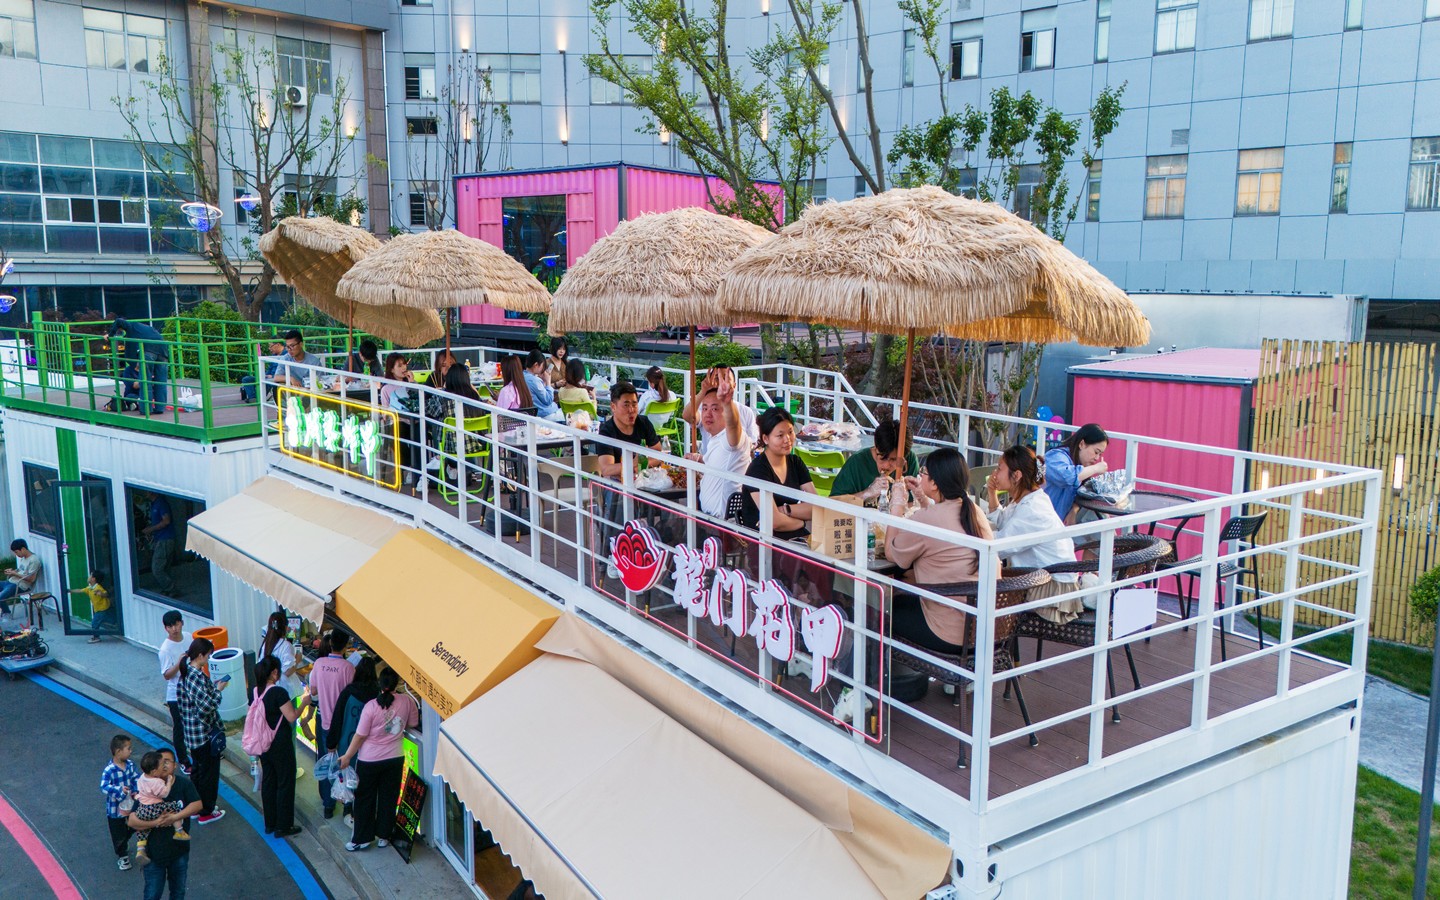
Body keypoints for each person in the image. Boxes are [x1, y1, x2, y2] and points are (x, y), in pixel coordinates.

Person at [884, 448, 994, 653]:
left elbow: (891, 553)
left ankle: (877, 672)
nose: (920, 476)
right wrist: (923, 497)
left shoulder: (928, 519)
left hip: (948, 631)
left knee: (877, 612)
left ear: (934, 483)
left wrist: (896, 506)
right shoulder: (973, 511)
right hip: (982, 628)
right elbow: (939, 522)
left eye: (923, 472)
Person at [986, 445, 1094, 625]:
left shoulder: (1032, 508)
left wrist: (967, 533)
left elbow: (999, 547)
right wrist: (992, 493)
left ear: (1017, 475)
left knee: (984, 589)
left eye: (999, 468)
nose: (995, 473)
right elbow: (1003, 521)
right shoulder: (1031, 498)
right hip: (1049, 580)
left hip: (1052, 593)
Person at [339, 668, 420, 852]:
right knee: (388, 798)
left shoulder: (371, 707)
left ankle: (361, 839)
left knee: (364, 799)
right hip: (395, 758)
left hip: (369, 761)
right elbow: (413, 723)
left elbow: (360, 735)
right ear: (398, 683)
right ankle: (384, 836)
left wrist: (347, 756)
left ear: (379, 683)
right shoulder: (407, 701)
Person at [128, 748, 201, 900]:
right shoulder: (148, 787)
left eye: (168, 761)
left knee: (178, 893)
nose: (165, 765)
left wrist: (174, 817)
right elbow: (132, 821)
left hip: (179, 852)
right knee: (152, 895)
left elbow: (197, 805)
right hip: (153, 857)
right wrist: (156, 822)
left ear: (175, 765)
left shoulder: (183, 784)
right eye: (162, 762)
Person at [250, 655, 312, 837]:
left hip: (263, 743)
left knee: (269, 781)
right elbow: (291, 716)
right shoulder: (278, 693)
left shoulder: (256, 691)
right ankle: (284, 826)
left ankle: (270, 823)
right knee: (285, 782)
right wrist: (305, 702)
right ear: (274, 672)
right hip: (280, 744)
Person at [739, 407, 816, 542]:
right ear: (766, 438)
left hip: (793, 536)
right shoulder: (758, 469)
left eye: (790, 432)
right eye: (780, 436)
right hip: (762, 540)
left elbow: (816, 507)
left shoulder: (795, 462)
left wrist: (786, 510)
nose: (787, 439)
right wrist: (802, 522)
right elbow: (774, 522)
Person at [175, 637, 227, 824]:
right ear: (200, 655)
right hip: (203, 735)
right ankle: (207, 810)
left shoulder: (186, 673)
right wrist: (218, 691)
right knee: (208, 775)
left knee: (197, 771)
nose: (209, 658)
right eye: (208, 655)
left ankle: (196, 806)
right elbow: (205, 707)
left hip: (192, 734)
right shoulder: (195, 676)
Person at [684, 380, 752, 519]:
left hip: (724, 524)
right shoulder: (715, 438)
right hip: (709, 520)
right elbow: (687, 415)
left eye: (715, 409)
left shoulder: (732, 439)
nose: (708, 414)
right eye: (705, 408)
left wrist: (727, 403)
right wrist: (699, 458)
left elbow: (733, 426)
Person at [326, 656, 380, 829]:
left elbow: (337, 718)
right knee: (365, 781)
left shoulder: (348, 692)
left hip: (347, 744)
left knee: (348, 778)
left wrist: (331, 742)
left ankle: (348, 809)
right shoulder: (377, 694)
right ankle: (364, 813)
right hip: (369, 747)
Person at [308, 629, 355, 819]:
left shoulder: (319, 664)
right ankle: (347, 804)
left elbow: (313, 691)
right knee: (345, 762)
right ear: (345, 646)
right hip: (343, 723)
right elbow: (352, 695)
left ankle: (328, 805)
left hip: (323, 719)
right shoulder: (348, 668)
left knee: (326, 761)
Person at [829, 417, 920, 500]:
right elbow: (833, 503)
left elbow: (912, 503)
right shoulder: (856, 462)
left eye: (894, 459)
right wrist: (868, 493)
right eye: (882, 458)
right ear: (876, 447)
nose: (886, 465)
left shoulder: (910, 460)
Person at [594, 380, 664, 479]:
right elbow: (606, 469)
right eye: (626, 405)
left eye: (634, 404)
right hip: (617, 482)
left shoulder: (644, 423)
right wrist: (633, 464)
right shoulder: (606, 431)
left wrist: (640, 464)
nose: (631, 410)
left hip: (644, 478)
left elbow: (658, 455)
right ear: (613, 407)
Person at [1044, 423, 1110, 523]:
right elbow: (1067, 477)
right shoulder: (1055, 456)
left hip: (1061, 522)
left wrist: (1075, 509)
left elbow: (1083, 493)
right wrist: (1095, 468)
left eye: (1100, 454)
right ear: (1082, 444)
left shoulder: (1082, 465)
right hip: (1045, 522)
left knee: (1100, 515)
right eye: (1096, 452)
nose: (1097, 458)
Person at [132, 750, 191, 863]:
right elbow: (164, 794)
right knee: (174, 808)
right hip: (154, 808)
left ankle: (140, 849)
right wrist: (168, 782)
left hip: (142, 809)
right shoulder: (157, 782)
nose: (163, 767)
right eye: (161, 766)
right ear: (154, 771)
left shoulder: (142, 778)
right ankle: (179, 831)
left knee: (143, 830)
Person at [682, 365, 758, 445]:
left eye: (726, 379)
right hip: (708, 453)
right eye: (717, 379)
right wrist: (703, 391)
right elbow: (687, 416)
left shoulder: (746, 411)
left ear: (734, 385)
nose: (721, 383)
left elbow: (753, 443)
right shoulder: (705, 408)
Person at [107, 317, 169, 414]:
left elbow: (118, 321)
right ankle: (160, 408)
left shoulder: (131, 326)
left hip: (148, 350)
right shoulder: (144, 329)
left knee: (145, 381)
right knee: (160, 381)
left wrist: (110, 335)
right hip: (163, 350)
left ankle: (146, 409)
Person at [100, 733, 139, 872]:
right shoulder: (109, 770)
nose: (131, 751)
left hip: (130, 805)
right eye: (128, 748)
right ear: (118, 751)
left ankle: (124, 842)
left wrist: (136, 791)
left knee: (134, 825)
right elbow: (104, 786)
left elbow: (136, 779)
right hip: (115, 809)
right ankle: (122, 855)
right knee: (117, 832)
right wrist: (119, 790)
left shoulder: (130, 765)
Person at [157, 612, 190, 771]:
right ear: (166, 628)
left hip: (191, 689)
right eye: (170, 626)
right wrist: (179, 663)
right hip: (175, 695)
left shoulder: (189, 637)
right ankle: (183, 760)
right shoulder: (165, 650)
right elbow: (166, 675)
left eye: (176, 624)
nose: (174, 629)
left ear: (182, 623)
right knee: (180, 728)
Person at [260, 610, 304, 698]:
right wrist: (297, 660)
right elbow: (287, 671)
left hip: (269, 688)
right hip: (285, 691)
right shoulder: (286, 645)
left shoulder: (266, 644)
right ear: (285, 627)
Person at [139, 492, 176, 595]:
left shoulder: (161, 503)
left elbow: (166, 521)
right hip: (161, 539)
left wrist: (150, 529)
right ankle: (168, 590)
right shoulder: (154, 504)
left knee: (157, 568)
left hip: (165, 539)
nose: (144, 492)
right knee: (164, 567)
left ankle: (171, 588)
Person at [0, 537, 41, 620]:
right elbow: (21, 571)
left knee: (1, 597)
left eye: (16, 552)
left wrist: (14, 573)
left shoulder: (34, 560)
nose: (16, 555)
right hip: (11, 582)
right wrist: (12, 571)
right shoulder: (24, 558)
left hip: (20, 586)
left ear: (23, 549)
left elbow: (31, 579)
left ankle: (6, 613)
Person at [69, 569, 114, 643]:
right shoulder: (90, 588)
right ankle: (114, 624)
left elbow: (105, 593)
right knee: (107, 619)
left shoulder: (98, 588)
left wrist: (101, 594)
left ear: (93, 579)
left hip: (102, 609)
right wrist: (70, 591)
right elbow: (80, 590)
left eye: (90, 575)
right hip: (99, 609)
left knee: (94, 623)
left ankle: (96, 637)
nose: (88, 577)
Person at [522, 350, 564, 421]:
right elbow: (548, 400)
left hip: (535, 412)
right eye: (542, 365)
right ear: (536, 365)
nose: (543, 368)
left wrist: (543, 382)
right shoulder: (534, 380)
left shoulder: (522, 376)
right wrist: (548, 381)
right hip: (546, 414)